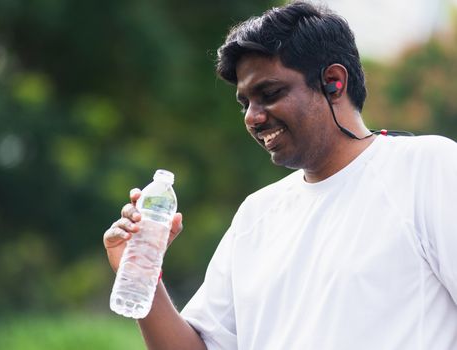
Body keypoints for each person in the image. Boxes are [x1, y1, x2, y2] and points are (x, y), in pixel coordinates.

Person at [103, 1, 457, 349]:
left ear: (333, 82)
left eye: (269, 94)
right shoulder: (257, 215)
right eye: (245, 103)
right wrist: (141, 273)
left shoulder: (426, 169)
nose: (253, 117)